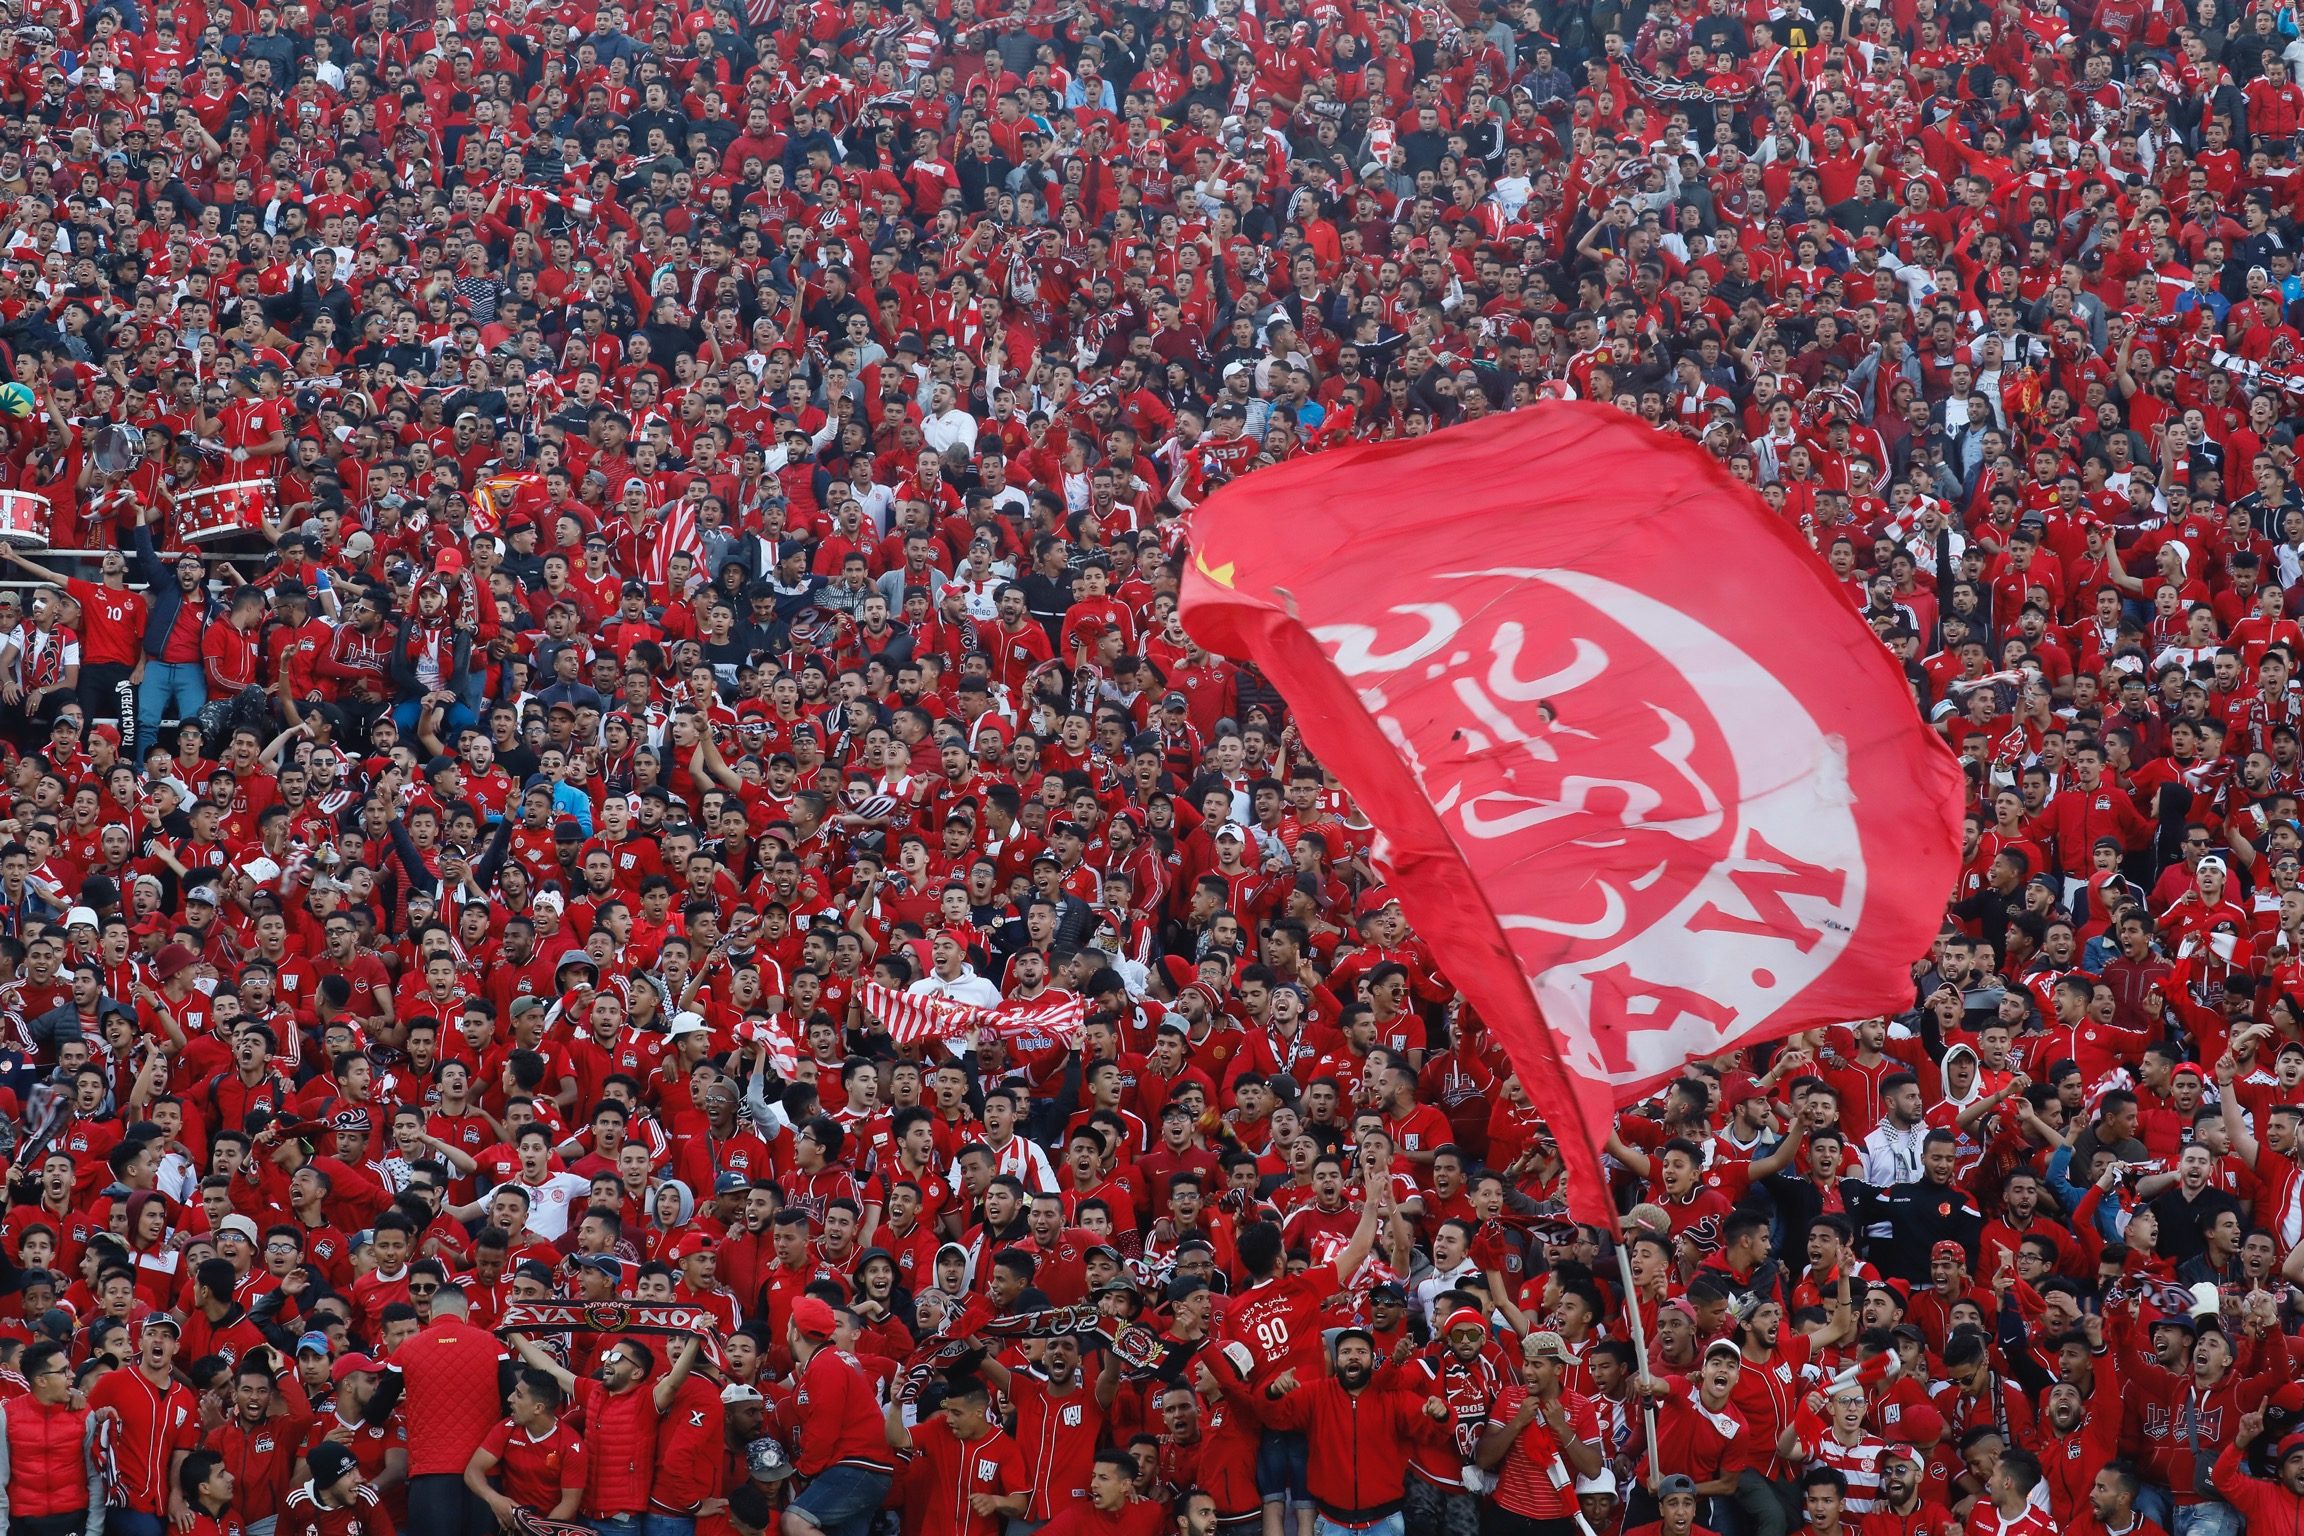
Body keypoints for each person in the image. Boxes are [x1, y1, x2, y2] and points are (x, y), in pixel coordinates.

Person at [378, 1288, 507, 1536]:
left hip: (429, 1476)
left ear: (430, 1313)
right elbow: (513, 1401)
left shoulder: (407, 1349)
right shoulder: (493, 1345)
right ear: (467, 1314)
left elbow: (377, 1410)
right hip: (483, 1476)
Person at [0, 1339, 106, 1536]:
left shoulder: (84, 1414)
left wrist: (93, 1532)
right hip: (24, 1523)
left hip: (73, 1520)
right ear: (41, 1380)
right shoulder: (7, 1416)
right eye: (64, 1371)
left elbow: (95, 1478)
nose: (72, 1375)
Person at [465, 1367, 587, 1528]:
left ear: (538, 1408)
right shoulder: (506, 1428)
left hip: (551, 1527)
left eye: (519, 1395)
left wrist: (537, 1530)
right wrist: (494, 1499)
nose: (510, 1398)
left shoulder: (571, 1446)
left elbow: (569, 1504)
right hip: (512, 1525)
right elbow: (472, 1471)